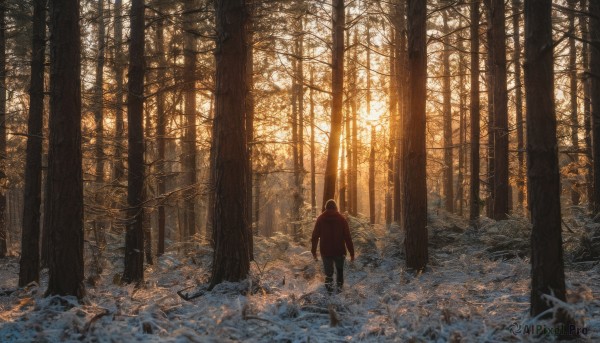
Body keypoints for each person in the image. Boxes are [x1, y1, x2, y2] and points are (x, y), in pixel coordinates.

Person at [311, 199, 355, 293]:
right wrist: (352, 253)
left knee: (329, 274)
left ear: (326, 208)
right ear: (336, 207)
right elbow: (347, 237)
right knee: (339, 272)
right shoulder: (341, 219)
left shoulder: (321, 219)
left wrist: (313, 251)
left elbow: (315, 236)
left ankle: (329, 294)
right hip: (339, 251)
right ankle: (339, 293)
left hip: (326, 251)